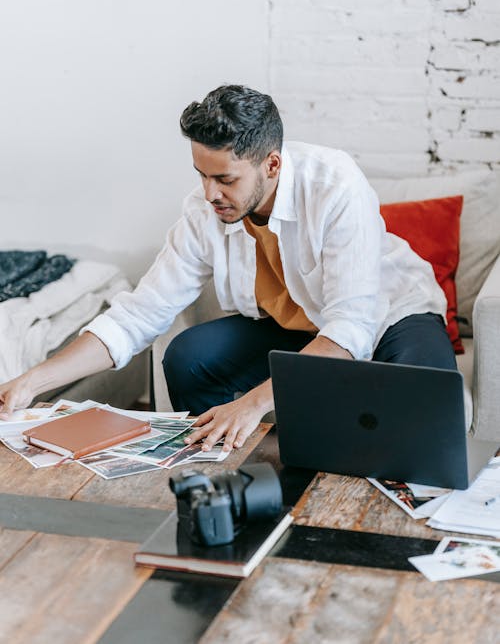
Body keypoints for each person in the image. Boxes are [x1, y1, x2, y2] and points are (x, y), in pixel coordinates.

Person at [0, 84, 456, 452]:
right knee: (190, 356)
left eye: (225, 179)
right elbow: (137, 316)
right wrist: (31, 381)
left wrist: (253, 403)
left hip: (390, 315)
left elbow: (350, 328)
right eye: (201, 174)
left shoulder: (335, 183)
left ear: (272, 164)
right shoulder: (204, 212)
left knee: (426, 405)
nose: (210, 192)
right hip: (296, 326)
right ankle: (224, 464)